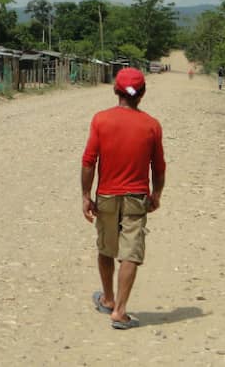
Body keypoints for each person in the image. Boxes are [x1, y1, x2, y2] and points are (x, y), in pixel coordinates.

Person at [81, 67, 166, 330]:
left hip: (106, 195)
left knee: (106, 248)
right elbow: (159, 167)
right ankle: (119, 311)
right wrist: (156, 195)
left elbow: (89, 161)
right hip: (136, 198)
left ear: (116, 90)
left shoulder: (100, 120)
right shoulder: (152, 125)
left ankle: (107, 297)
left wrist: (86, 195)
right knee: (130, 252)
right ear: (141, 94)